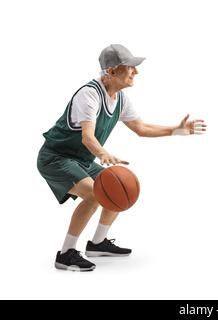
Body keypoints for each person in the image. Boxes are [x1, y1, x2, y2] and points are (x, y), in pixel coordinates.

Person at [37, 44, 207, 271]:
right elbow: (88, 137)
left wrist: (175, 130)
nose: (136, 72)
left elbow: (142, 128)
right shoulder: (88, 94)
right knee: (95, 194)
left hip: (81, 160)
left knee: (117, 185)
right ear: (112, 70)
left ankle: (98, 243)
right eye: (131, 67)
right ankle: (66, 253)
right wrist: (104, 154)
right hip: (55, 157)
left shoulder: (120, 99)